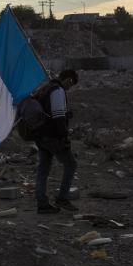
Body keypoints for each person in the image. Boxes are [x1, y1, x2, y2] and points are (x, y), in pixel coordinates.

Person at [34, 69, 79, 214]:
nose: (69, 88)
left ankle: (42, 204)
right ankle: (62, 198)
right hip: (53, 137)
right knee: (71, 164)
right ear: (69, 80)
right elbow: (58, 117)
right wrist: (64, 137)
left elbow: (49, 111)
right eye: (71, 85)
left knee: (43, 170)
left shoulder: (46, 88)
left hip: (41, 135)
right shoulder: (58, 90)